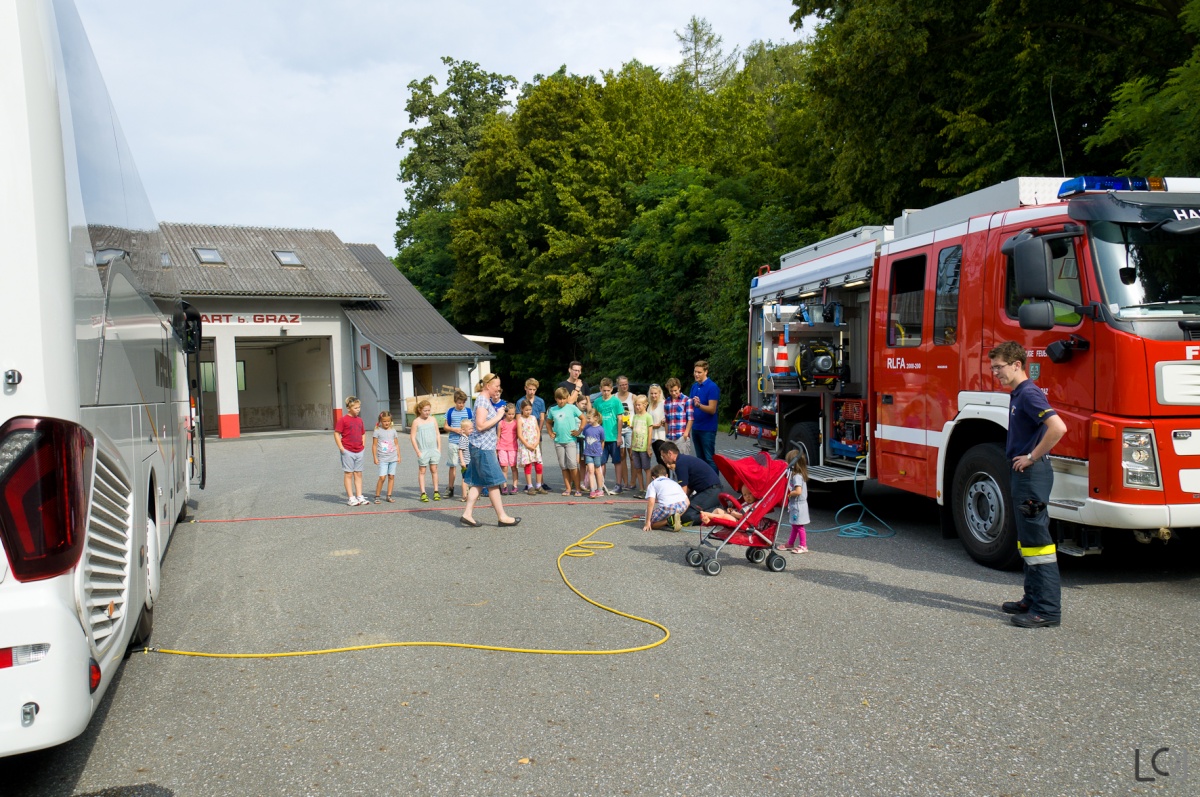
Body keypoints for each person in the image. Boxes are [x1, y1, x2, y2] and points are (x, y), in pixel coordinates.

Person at [990, 341, 1067, 628]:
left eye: (999, 367)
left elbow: (1058, 428)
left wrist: (1032, 457)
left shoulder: (1029, 394)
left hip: (1032, 476)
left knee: (1037, 542)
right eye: (993, 368)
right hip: (1025, 476)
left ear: (1017, 364)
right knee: (1027, 539)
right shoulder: (1018, 393)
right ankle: (1032, 598)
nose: (995, 372)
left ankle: (1046, 610)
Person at [461, 373, 520, 527]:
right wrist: (499, 415)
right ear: (488, 386)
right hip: (483, 448)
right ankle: (502, 517)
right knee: (494, 482)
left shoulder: (484, 400)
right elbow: (480, 425)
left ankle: (467, 514)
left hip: (479, 447)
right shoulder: (482, 401)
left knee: (478, 482)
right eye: (496, 386)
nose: (498, 389)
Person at [657, 440, 722, 525]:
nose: (663, 460)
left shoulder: (680, 464)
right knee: (686, 509)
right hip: (711, 491)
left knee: (685, 516)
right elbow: (689, 489)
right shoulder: (684, 460)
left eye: (664, 456)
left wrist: (674, 508)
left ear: (670, 453)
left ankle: (717, 513)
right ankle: (714, 509)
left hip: (711, 491)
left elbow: (683, 492)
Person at [546, 386, 584, 496]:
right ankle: (568, 488)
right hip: (558, 441)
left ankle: (578, 489)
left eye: (563, 398)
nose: (561, 401)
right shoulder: (553, 410)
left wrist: (579, 430)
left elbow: (583, 418)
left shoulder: (572, 408)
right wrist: (550, 432)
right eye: (559, 399)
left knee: (572, 464)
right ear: (556, 399)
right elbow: (548, 422)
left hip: (570, 440)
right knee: (563, 466)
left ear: (567, 398)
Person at [516, 378, 551, 492]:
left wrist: (538, 434)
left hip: (535, 435)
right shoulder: (520, 402)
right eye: (529, 389)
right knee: (528, 462)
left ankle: (540, 483)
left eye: (534, 390)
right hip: (525, 437)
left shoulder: (540, 401)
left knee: (538, 461)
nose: (531, 392)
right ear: (525, 388)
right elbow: (518, 420)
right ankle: (529, 485)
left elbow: (542, 418)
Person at [593, 378, 625, 494]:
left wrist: (619, 436)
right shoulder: (597, 402)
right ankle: (601, 484)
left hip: (613, 436)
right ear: (600, 389)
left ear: (612, 389)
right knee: (601, 462)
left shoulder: (616, 401)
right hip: (601, 438)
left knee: (617, 461)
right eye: (604, 390)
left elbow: (620, 419)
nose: (606, 393)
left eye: (608, 390)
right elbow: (595, 418)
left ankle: (618, 485)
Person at [334, 396, 367, 506]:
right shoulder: (343, 420)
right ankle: (351, 498)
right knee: (348, 474)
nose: (358, 410)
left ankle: (359, 496)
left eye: (359, 407)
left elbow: (363, 433)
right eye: (355, 408)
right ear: (348, 408)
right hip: (347, 450)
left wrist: (363, 445)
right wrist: (341, 447)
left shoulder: (360, 420)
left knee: (358, 473)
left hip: (359, 450)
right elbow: (336, 433)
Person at [689, 360, 720, 471]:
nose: (696, 374)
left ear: (706, 372)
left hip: (707, 429)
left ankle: (714, 481)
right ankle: (704, 480)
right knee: (700, 459)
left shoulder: (712, 387)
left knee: (709, 458)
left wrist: (699, 405)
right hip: (696, 427)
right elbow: (690, 405)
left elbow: (712, 409)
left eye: (699, 372)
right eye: (695, 372)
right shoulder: (694, 387)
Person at [443, 389, 474, 499]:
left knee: (466, 465)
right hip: (453, 442)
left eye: (463, 403)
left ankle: (467, 489)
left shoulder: (469, 412)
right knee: (452, 465)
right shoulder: (450, 411)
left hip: (466, 443)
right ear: (455, 402)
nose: (461, 405)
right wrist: (454, 429)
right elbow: (445, 426)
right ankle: (450, 488)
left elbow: (472, 427)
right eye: (459, 403)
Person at [657, 377, 693, 466]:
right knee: (670, 462)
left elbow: (690, 418)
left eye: (675, 390)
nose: (673, 393)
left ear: (679, 388)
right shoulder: (667, 402)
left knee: (683, 462)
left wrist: (686, 434)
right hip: (670, 437)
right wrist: (666, 435)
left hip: (681, 436)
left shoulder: (686, 400)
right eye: (671, 391)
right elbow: (667, 420)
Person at [410, 400, 441, 502]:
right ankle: (423, 493)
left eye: (428, 410)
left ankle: (436, 491)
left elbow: (437, 434)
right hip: (423, 450)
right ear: (420, 410)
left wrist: (439, 448)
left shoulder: (433, 419)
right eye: (425, 410)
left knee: (434, 469)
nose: (427, 412)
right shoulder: (416, 422)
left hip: (433, 449)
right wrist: (418, 451)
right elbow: (412, 437)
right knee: (422, 471)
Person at [642, 464, 689, 532]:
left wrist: (647, 522)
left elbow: (651, 502)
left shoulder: (653, 484)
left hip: (667, 507)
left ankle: (669, 520)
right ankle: (675, 518)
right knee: (670, 512)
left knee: (651, 523)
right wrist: (679, 515)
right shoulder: (674, 482)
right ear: (666, 475)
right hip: (682, 505)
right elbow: (688, 502)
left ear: (653, 477)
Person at [780, 448, 810, 553]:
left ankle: (803, 545)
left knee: (799, 526)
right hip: (796, 505)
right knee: (795, 525)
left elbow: (798, 491)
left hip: (798, 506)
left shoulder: (797, 476)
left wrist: (788, 493)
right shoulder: (796, 475)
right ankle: (790, 543)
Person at [371, 411, 401, 503]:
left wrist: (399, 456)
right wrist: (375, 457)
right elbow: (374, 445)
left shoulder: (393, 431)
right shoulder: (377, 431)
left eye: (388, 421)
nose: (386, 423)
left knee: (391, 476)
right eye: (384, 421)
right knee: (382, 477)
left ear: (391, 421)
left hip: (393, 457)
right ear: (380, 421)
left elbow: (396, 444)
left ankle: (389, 495)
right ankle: (377, 496)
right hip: (383, 458)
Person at [518, 401, 545, 494]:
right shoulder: (520, 420)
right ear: (522, 409)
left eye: (530, 409)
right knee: (528, 465)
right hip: (526, 446)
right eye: (526, 410)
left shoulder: (533, 418)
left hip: (535, 445)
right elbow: (519, 434)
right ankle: (530, 486)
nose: (528, 412)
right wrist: (527, 445)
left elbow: (538, 430)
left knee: (539, 465)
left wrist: (537, 442)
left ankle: (539, 485)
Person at [629, 395, 653, 495]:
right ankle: (641, 489)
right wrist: (631, 447)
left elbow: (650, 433)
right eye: (636, 405)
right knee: (638, 468)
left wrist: (648, 447)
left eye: (639, 405)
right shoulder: (635, 417)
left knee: (646, 468)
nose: (637, 407)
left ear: (645, 405)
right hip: (635, 447)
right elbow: (633, 432)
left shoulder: (648, 417)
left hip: (644, 448)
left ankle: (648, 488)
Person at [581, 409, 607, 499]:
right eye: (587, 418)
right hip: (588, 453)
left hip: (597, 453)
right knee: (591, 470)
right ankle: (592, 490)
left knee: (597, 471)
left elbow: (602, 441)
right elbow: (585, 437)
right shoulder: (586, 428)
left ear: (595, 418)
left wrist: (601, 451)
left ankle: (600, 489)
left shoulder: (600, 429)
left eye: (589, 418)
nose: (587, 420)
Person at [615, 376, 636, 489]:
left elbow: (639, 413)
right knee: (622, 455)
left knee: (632, 455)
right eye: (622, 385)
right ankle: (625, 482)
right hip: (618, 430)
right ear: (617, 386)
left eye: (626, 384)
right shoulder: (614, 397)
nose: (624, 386)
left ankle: (633, 481)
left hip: (630, 429)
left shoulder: (633, 397)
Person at [496, 402, 520, 495]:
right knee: (504, 467)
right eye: (509, 414)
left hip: (513, 447)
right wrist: (497, 449)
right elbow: (498, 436)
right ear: (505, 413)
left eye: (513, 414)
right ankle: (504, 486)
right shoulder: (501, 423)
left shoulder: (516, 423)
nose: (511, 416)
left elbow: (518, 435)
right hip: (502, 447)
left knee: (514, 467)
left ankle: (515, 486)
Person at [575, 395, 593, 492]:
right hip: (575, 440)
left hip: (585, 440)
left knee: (583, 463)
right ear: (577, 403)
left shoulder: (587, 415)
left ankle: (582, 482)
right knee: (575, 461)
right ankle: (575, 480)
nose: (584, 406)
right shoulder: (574, 414)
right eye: (582, 403)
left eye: (585, 404)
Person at [455, 418, 473, 501]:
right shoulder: (463, 439)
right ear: (463, 430)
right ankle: (464, 495)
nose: (471, 430)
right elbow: (460, 451)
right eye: (469, 429)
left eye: (472, 428)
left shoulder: (469, 437)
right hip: (465, 462)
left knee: (471, 478)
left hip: (470, 461)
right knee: (465, 478)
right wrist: (462, 462)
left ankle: (471, 493)